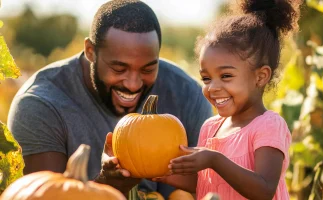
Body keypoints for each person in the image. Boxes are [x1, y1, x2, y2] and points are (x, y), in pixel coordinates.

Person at [7, 0, 212, 198]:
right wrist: (108, 184)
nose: (133, 84)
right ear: (90, 51)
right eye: (119, 68)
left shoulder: (187, 94)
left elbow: (212, 189)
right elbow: (43, 195)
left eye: (148, 69)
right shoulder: (40, 104)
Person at [150, 0, 300, 199]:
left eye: (226, 76)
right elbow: (208, 183)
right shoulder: (210, 128)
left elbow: (264, 189)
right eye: (206, 78)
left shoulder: (268, 126)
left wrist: (215, 160)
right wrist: (167, 175)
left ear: (261, 76)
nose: (213, 87)